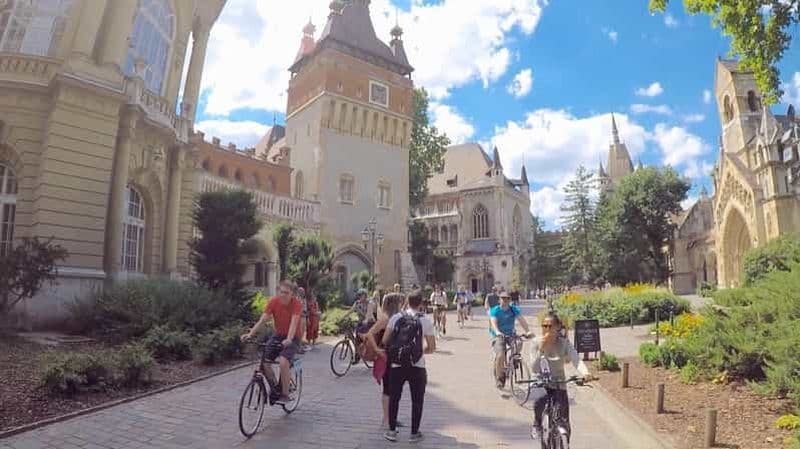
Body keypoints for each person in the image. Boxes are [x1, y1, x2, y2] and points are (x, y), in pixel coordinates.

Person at [382, 290, 436, 443]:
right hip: (417, 366)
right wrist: (416, 353)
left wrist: (400, 351)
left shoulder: (396, 318)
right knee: (417, 399)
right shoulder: (425, 320)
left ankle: (392, 431)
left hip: (397, 364)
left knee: (394, 398)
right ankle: (414, 433)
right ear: (420, 304)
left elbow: (385, 340)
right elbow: (432, 347)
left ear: (407, 301)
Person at [530, 313, 591, 441]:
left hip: (559, 382)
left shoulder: (564, 343)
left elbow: (576, 359)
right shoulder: (536, 342)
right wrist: (541, 349)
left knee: (563, 420)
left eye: (549, 326)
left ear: (557, 327)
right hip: (542, 381)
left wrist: (585, 373)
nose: (546, 329)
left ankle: (563, 440)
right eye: (544, 326)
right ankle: (537, 424)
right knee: (539, 401)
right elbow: (534, 368)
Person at [241, 280, 302, 403]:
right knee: (265, 362)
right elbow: (263, 320)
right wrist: (250, 334)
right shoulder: (273, 302)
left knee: (284, 362)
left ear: (292, 294)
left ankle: (285, 394)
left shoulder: (296, 304)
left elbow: (294, 323)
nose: (283, 295)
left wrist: (289, 339)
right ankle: (275, 386)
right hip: (278, 335)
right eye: (281, 292)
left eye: (287, 292)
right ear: (278, 292)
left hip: (293, 337)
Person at [365, 293, 405, 430]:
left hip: (394, 356)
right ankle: (387, 420)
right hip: (386, 356)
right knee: (388, 389)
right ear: (394, 304)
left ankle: (391, 417)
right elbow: (370, 333)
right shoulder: (386, 319)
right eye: (400, 302)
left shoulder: (395, 318)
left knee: (393, 389)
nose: (402, 304)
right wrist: (376, 349)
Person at [490, 290, 532, 389]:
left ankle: (513, 360)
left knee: (519, 342)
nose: (505, 300)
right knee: (500, 355)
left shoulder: (513, 309)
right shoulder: (495, 310)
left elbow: (521, 320)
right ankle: (500, 378)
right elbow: (493, 322)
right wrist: (497, 332)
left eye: (507, 298)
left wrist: (528, 331)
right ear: (499, 300)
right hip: (499, 335)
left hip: (510, 334)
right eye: (503, 298)